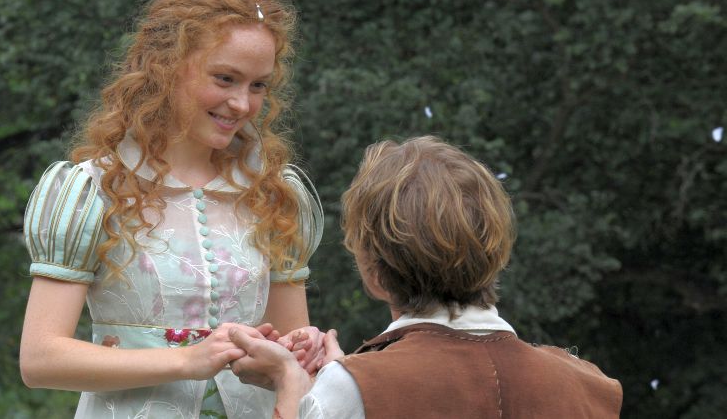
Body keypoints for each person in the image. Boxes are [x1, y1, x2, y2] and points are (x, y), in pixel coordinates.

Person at [18, 0, 327, 418]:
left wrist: (296, 350)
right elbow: (40, 359)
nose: (241, 103)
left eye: (258, 86)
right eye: (225, 78)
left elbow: (290, 363)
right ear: (166, 67)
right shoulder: (96, 190)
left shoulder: (274, 195)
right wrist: (186, 360)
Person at [227, 136, 624, 418]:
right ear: (497, 247)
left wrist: (291, 381)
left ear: (374, 273)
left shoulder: (355, 387)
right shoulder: (590, 387)